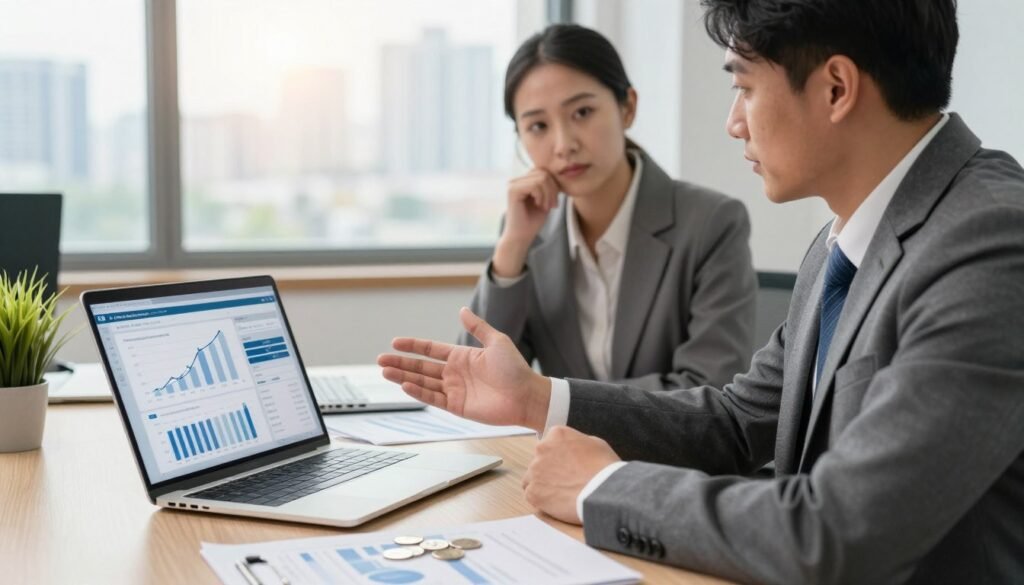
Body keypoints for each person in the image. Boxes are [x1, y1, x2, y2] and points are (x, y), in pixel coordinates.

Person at [379, 0, 1024, 583]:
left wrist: (603, 486)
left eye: (743, 88)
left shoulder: (991, 241)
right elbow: (738, 423)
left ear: (835, 88)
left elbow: (840, 532)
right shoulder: (845, 241)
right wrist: (537, 397)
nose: (733, 123)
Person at [459, 24, 757, 390]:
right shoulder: (528, 234)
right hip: (554, 448)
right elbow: (479, 380)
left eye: (582, 113)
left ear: (627, 107)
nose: (563, 144)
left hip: (663, 449)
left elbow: (709, 388)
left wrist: (560, 404)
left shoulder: (712, 223)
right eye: (538, 126)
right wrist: (511, 249)